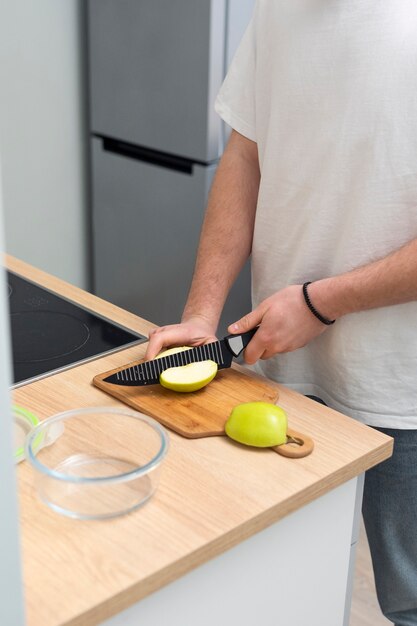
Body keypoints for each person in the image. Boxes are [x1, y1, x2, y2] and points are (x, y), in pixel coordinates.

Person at [146, 2, 417, 623]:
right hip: (278, 371)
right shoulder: (277, 11)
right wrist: (200, 314)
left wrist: (323, 302)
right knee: (289, 581)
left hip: (402, 388)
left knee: (408, 600)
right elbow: (245, 158)